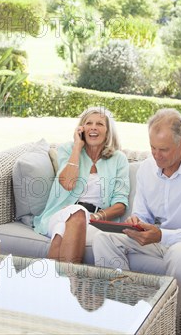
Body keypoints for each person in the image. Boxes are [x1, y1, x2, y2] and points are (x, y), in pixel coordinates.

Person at [92, 108, 181, 310]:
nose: (156, 155)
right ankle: (125, 311)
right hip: (160, 239)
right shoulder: (147, 169)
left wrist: (161, 235)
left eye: (163, 149)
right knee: (103, 239)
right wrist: (136, 222)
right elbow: (142, 214)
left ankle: (159, 324)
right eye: (152, 147)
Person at [33, 106, 129, 264]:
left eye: (100, 124)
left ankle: (55, 286)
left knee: (61, 232)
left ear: (108, 131)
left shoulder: (118, 159)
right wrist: (77, 147)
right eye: (88, 123)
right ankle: (71, 285)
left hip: (95, 221)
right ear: (81, 129)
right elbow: (68, 183)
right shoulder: (68, 149)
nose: (93, 127)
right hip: (59, 214)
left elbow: (120, 204)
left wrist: (95, 217)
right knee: (77, 213)